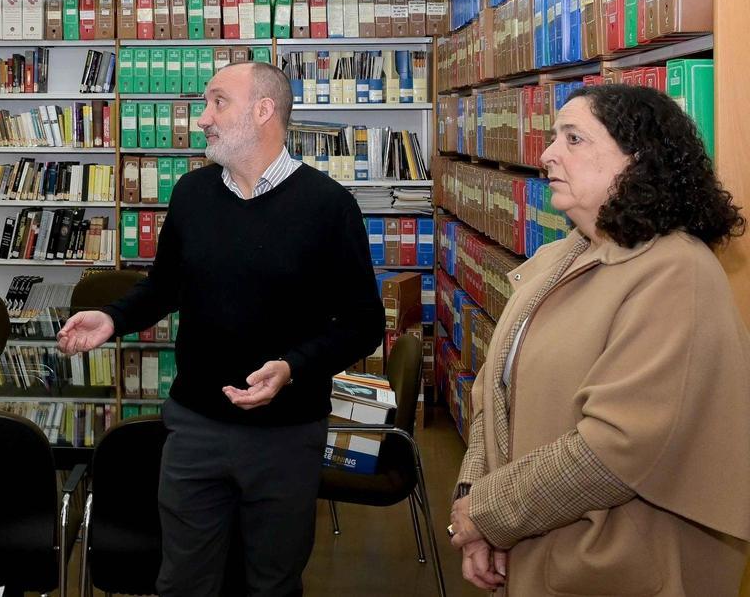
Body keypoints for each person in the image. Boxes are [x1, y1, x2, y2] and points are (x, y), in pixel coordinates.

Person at [58, 61, 384, 597]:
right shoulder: (192, 194)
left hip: (286, 436)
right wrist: (112, 318)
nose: (201, 118)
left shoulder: (328, 207)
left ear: (263, 111)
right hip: (195, 429)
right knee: (183, 580)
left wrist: (292, 368)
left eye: (217, 102)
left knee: (271, 584)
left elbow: (363, 323)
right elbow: (164, 289)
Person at [449, 84, 750, 595]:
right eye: (552, 138)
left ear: (637, 161)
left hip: (621, 569)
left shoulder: (677, 273)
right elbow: (491, 395)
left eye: (573, 139)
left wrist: (487, 513)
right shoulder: (559, 257)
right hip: (535, 548)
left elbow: (615, 449)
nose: (546, 154)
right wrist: (474, 497)